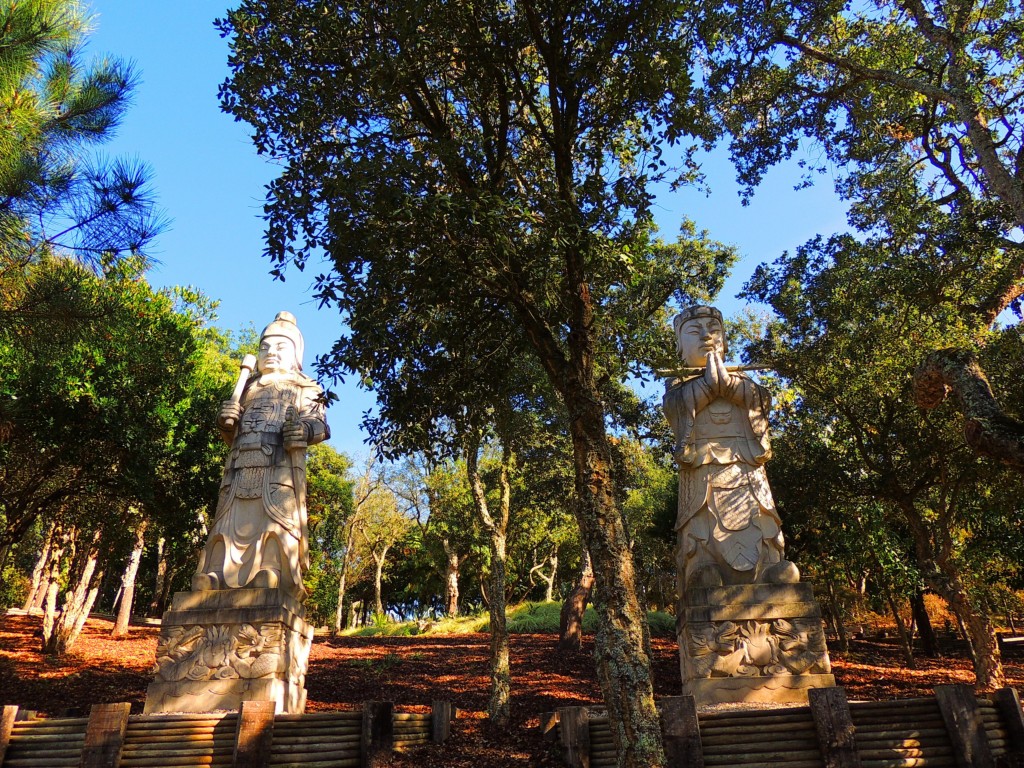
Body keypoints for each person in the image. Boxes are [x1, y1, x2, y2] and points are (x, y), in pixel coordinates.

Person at [192, 311, 329, 598]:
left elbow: (321, 425)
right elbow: (232, 433)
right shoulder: (248, 387)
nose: (271, 353)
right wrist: (226, 421)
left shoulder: (305, 386)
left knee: (276, 517)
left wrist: (304, 430)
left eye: (281, 347)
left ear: (295, 353)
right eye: (265, 347)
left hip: (277, 464)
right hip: (240, 463)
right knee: (228, 518)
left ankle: (270, 569)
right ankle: (218, 572)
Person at [663, 305, 797, 593]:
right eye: (693, 331)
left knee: (759, 516)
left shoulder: (743, 379)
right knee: (702, 520)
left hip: (744, 463)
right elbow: (674, 408)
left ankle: (770, 564)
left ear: (724, 340)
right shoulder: (678, 383)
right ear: (679, 346)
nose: (706, 336)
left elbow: (762, 401)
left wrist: (731, 386)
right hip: (703, 466)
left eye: (714, 330)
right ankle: (702, 564)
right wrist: (709, 388)